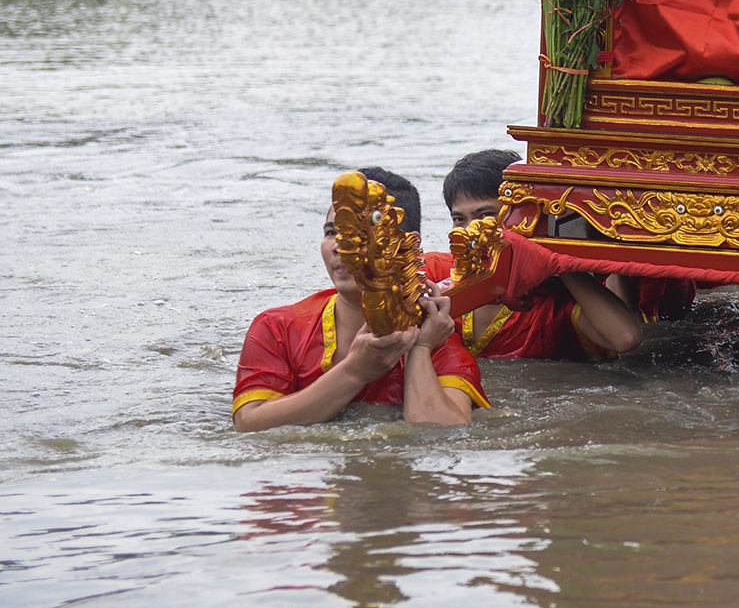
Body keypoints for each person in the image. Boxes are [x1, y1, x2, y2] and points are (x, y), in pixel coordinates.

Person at [233, 168, 487, 431]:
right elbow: (249, 424)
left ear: (408, 244)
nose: (341, 245)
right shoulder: (278, 328)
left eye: (362, 232)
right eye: (332, 232)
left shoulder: (437, 336)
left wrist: (419, 350)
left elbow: (442, 433)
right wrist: (355, 371)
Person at [440, 149, 665, 358]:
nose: (470, 231)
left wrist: (554, 258)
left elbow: (626, 340)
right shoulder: (436, 269)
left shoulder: (552, 302)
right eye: (459, 219)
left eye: (485, 215)